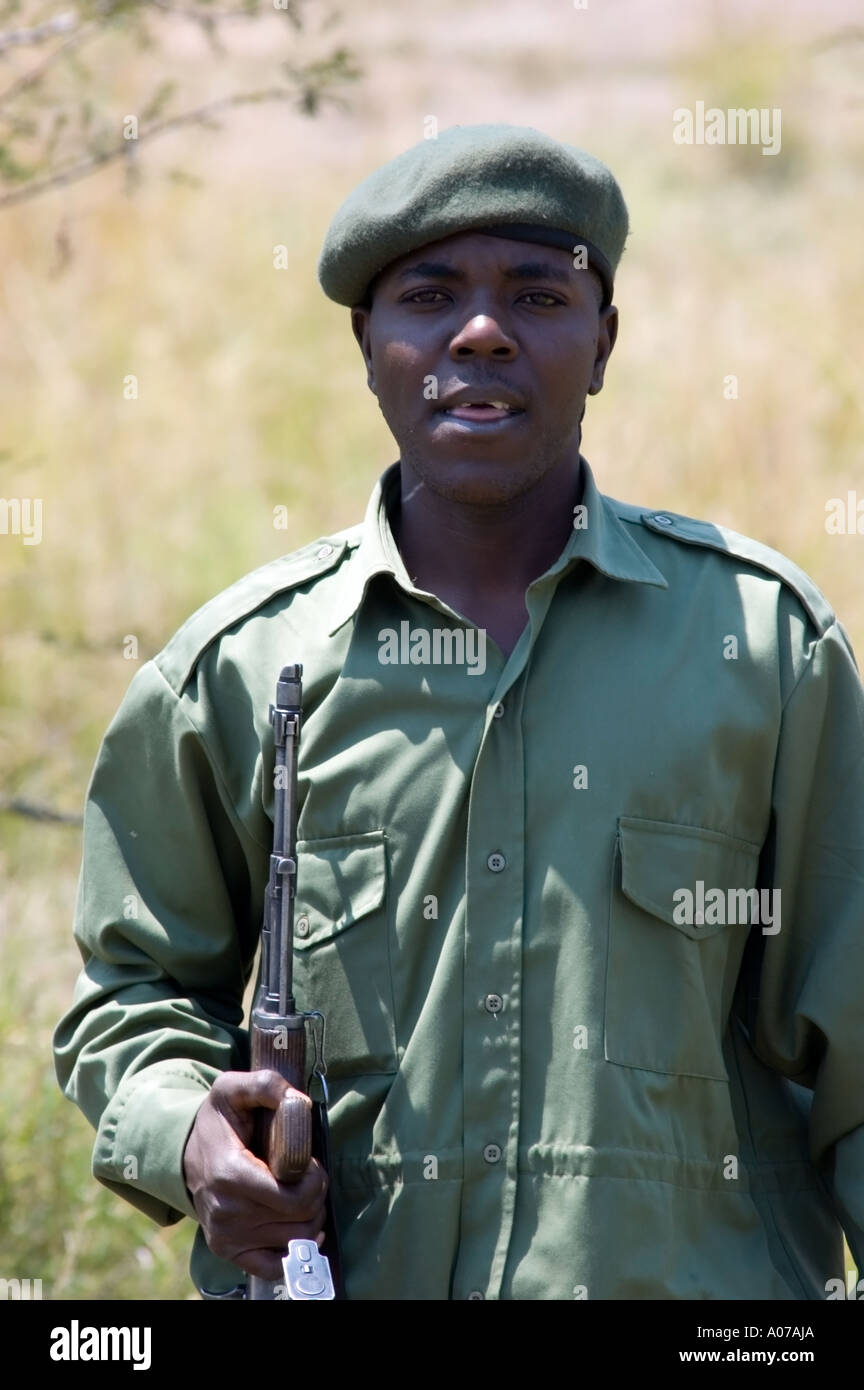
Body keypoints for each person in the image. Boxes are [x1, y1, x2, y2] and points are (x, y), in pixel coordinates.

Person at [54, 123, 864, 1301]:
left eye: (538, 293)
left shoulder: (761, 647)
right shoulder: (238, 669)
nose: (480, 332)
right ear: (368, 345)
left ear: (603, 344)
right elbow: (130, 997)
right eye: (430, 295)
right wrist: (190, 1134)